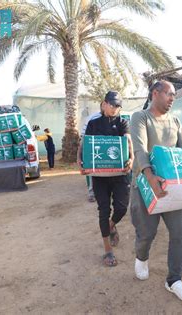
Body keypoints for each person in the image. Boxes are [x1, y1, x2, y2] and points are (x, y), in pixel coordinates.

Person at [129, 80, 182, 302]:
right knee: (147, 233)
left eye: (174, 95)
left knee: (179, 233)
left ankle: (174, 280)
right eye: (170, 94)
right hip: (146, 185)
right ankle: (142, 256)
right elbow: (139, 149)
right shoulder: (140, 118)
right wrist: (149, 175)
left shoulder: (175, 121)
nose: (172, 99)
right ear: (155, 93)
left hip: (172, 188)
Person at [83, 91, 133, 267]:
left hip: (120, 175)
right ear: (104, 104)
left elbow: (128, 142)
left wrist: (132, 159)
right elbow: (85, 145)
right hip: (100, 177)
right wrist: (80, 162)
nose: (115, 108)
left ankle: (111, 226)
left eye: (118, 106)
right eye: (112, 104)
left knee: (121, 207)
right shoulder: (93, 123)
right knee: (103, 210)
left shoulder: (122, 123)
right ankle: (107, 251)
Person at [78, 102, 105, 202]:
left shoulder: (115, 118)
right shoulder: (92, 118)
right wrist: (82, 151)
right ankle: (91, 192)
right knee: (91, 169)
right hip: (91, 147)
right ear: (102, 106)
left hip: (105, 148)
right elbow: (84, 136)